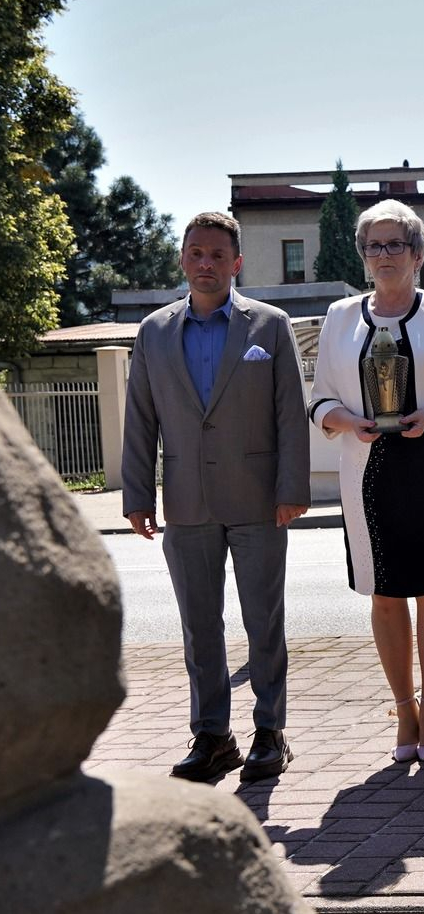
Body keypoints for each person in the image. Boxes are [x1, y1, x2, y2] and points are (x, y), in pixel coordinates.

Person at [122, 211, 310, 782]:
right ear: (183, 258)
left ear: (236, 264)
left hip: (259, 501)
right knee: (199, 626)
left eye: (217, 256)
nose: (206, 264)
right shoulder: (154, 331)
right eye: (196, 253)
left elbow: (289, 416)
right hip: (185, 502)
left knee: (263, 622)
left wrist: (291, 490)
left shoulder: (269, 326)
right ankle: (211, 737)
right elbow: (140, 417)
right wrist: (137, 493)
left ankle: (270, 733)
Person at [308, 200, 424, 765]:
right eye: (373, 246)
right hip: (368, 470)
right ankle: (402, 710)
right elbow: (321, 401)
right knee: (385, 595)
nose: (384, 255)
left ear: (419, 254)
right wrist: (345, 421)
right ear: (363, 257)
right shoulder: (339, 317)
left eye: (395, 245)